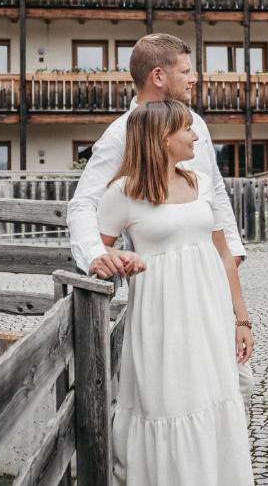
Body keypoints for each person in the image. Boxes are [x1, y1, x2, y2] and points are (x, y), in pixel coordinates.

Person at [67, 33, 255, 414]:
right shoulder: (121, 135)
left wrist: (232, 255)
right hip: (165, 293)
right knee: (178, 396)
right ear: (158, 75)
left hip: (211, 281)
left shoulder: (195, 122)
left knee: (231, 388)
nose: (194, 78)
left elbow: (215, 191)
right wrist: (95, 254)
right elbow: (84, 203)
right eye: (185, 70)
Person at [97, 99, 254, 485]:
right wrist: (119, 259)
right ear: (162, 138)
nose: (195, 134)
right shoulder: (122, 192)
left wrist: (241, 318)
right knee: (168, 402)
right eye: (186, 128)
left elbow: (223, 254)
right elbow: (95, 250)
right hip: (161, 317)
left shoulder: (199, 184)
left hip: (209, 310)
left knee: (214, 395)